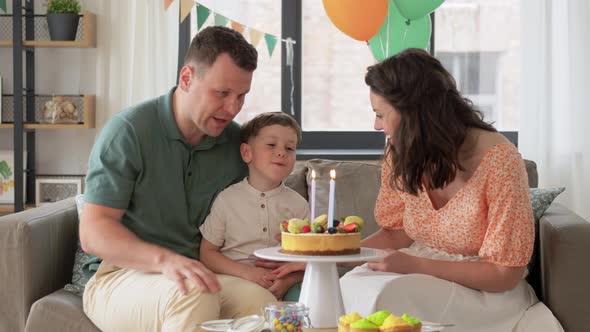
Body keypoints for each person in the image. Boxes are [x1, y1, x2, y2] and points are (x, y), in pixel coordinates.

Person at [273, 48, 563, 332]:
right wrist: (326, 261)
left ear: (414, 114)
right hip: (418, 272)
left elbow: (504, 274)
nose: (376, 125)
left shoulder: (499, 160)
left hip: (485, 293)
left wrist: (415, 264)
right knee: (349, 288)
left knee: (388, 298)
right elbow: (396, 233)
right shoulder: (402, 151)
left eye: (380, 114)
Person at [80, 26, 277, 331]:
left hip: (200, 274)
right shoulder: (128, 131)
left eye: (241, 96)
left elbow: (265, 205)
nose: (233, 108)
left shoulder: (236, 143)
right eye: (222, 93)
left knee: (260, 303)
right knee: (194, 293)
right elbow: (94, 232)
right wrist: (166, 261)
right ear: (187, 78)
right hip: (120, 276)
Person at [199, 111, 309, 301]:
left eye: (290, 148)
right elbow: (207, 254)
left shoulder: (298, 205)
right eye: (271, 145)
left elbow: (311, 260)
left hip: (284, 283)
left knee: (307, 298)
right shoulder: (227, 199)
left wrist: (288, 281)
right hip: (236, 280)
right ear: (246, 153)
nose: (282, 152)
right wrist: (247, 273)